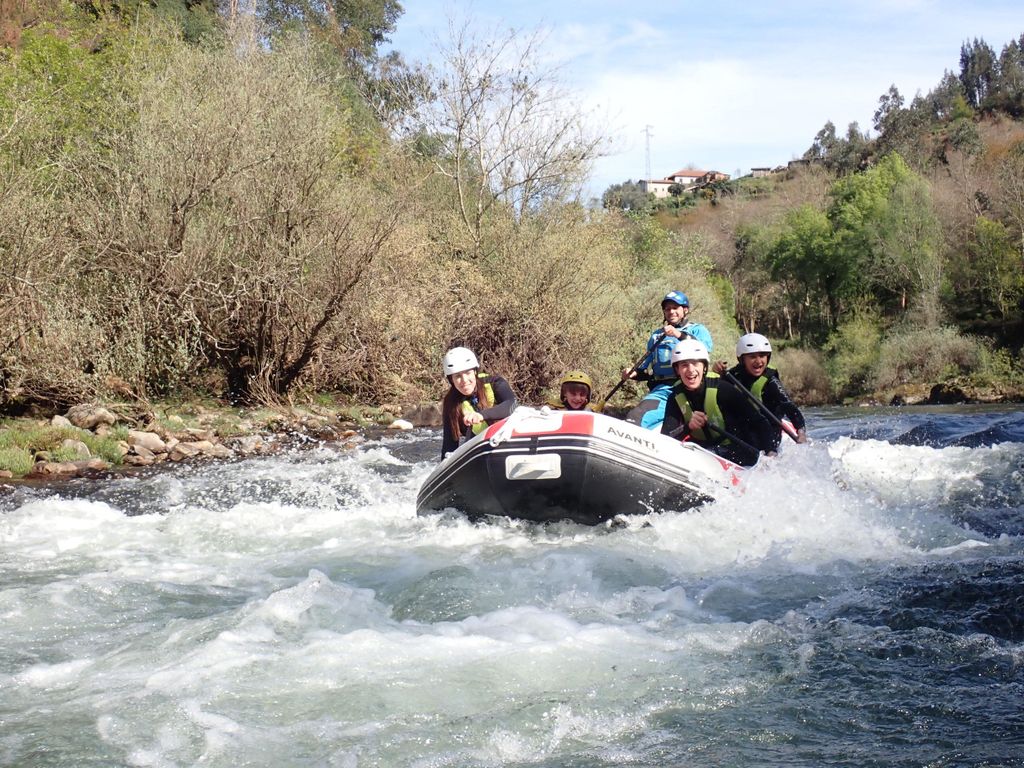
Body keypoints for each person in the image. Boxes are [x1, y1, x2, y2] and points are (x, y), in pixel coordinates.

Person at [660, 338, 777, 467]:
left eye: (695, 364)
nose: (691, 370)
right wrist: (688, 427)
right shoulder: (675, 397)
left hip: (737, 454)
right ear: (677, 370)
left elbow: (760, 422)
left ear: (704, 367)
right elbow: (666, 438)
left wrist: (770, 451)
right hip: (703, 454)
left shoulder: (723, 389)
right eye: (684, 365)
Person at [623, 291, 714, 430]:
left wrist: (678, 334)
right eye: (667, 308)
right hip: (664, 389)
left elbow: (703, 350)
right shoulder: (656, 336)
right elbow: (646, 370)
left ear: (685, 310)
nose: (671, 311)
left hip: (693, 388)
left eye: (675, 308)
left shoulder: (698, 330)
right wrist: (633, 374)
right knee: (635, 418)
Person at [714, 333, 808, 443]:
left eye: (762, 356)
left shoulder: (771, 381)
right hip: (742, 434)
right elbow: (711, 392)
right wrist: (717, 373)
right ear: (742, 359)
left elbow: (790, 407)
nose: (758, 361)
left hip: (768, 437)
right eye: (752, 356)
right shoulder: (732, 375)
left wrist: (801, 432)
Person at [440, 346, 517, 458]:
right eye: (457, 376)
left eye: (468, 373)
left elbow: (513, 405)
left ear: (475, 372)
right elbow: (449, 446)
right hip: (481, 452)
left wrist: (481, 415)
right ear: (451, 380)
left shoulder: (495, 384)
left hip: (508, 439)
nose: (464, 380)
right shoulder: (451, 403)